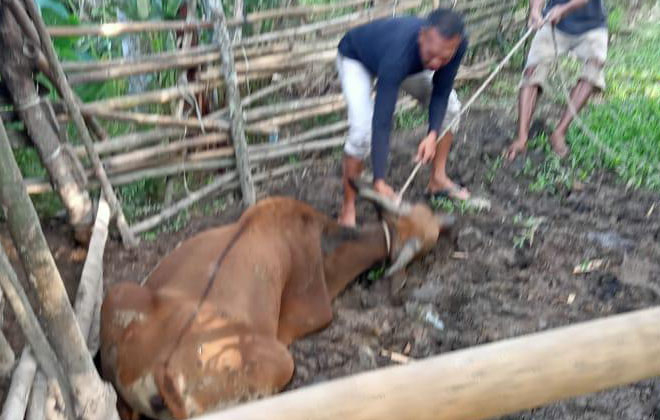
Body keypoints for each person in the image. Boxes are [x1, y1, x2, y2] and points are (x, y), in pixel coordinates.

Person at [335, 8, 468, 227]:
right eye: (431, 54)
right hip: (356, 57)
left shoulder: (456, 46)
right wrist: (379, 180)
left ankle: (438, 180)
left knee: (451, 107)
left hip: (404, 63)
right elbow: (382, 121)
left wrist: (432, 134)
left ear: (456, 45)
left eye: (444, 58)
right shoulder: (399, 53)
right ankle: (348, 208)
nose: (435, 63)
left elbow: (441, 91)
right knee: (361, 131)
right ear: (421, 36)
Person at [505, 0, 608, 161]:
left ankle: (559, 132)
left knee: (594, 69)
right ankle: (522, 137)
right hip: (553, 22)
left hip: (592, 25)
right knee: (532, 70)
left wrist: (564, 9)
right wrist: (535, 11)